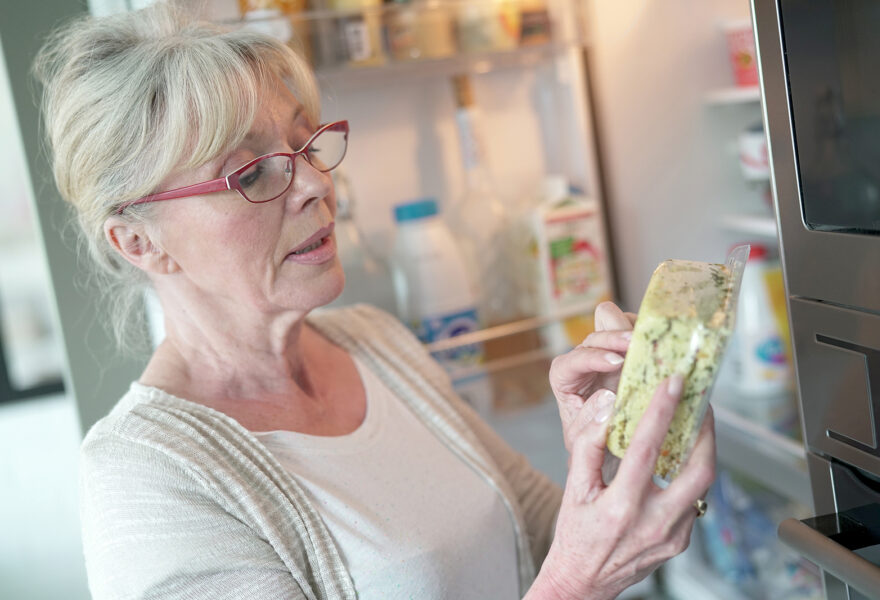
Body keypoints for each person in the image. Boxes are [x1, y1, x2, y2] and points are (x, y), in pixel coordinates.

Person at [34, 4, 715, 599]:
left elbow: (542, 537)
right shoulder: (144, 479)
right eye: (252, 171)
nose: (314, 186)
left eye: (304, 143)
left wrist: (619, 446)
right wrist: (576, 585)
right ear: (138, 242)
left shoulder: (373, 341)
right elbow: (566, 574)